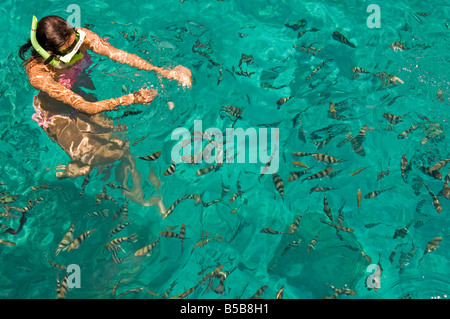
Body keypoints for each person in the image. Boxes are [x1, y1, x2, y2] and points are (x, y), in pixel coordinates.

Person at [19, 15, 192, 210]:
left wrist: (160, 70)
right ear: (47, 52)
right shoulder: (38, 73)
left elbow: (119, 54)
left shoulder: (82, 37)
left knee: (121, 141)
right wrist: (130, 99)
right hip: (54, 112)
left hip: (80, 93)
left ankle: (99, 167)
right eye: (68, 52)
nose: (76, 50)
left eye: (75, 44)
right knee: (99, 155)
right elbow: (86, 107)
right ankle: (84, 163)